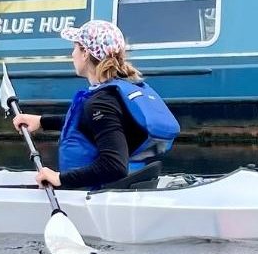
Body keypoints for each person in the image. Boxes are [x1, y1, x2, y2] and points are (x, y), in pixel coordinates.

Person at [10, 20, 178, 191]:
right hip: (120, 189)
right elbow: (95, 125)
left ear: (85, 53)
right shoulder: (117, 91)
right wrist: (42, 121)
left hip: (92, 193)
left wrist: (60, 178)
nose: (72, 54)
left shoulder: (101, 102)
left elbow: (114, 165)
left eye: (75, 47)